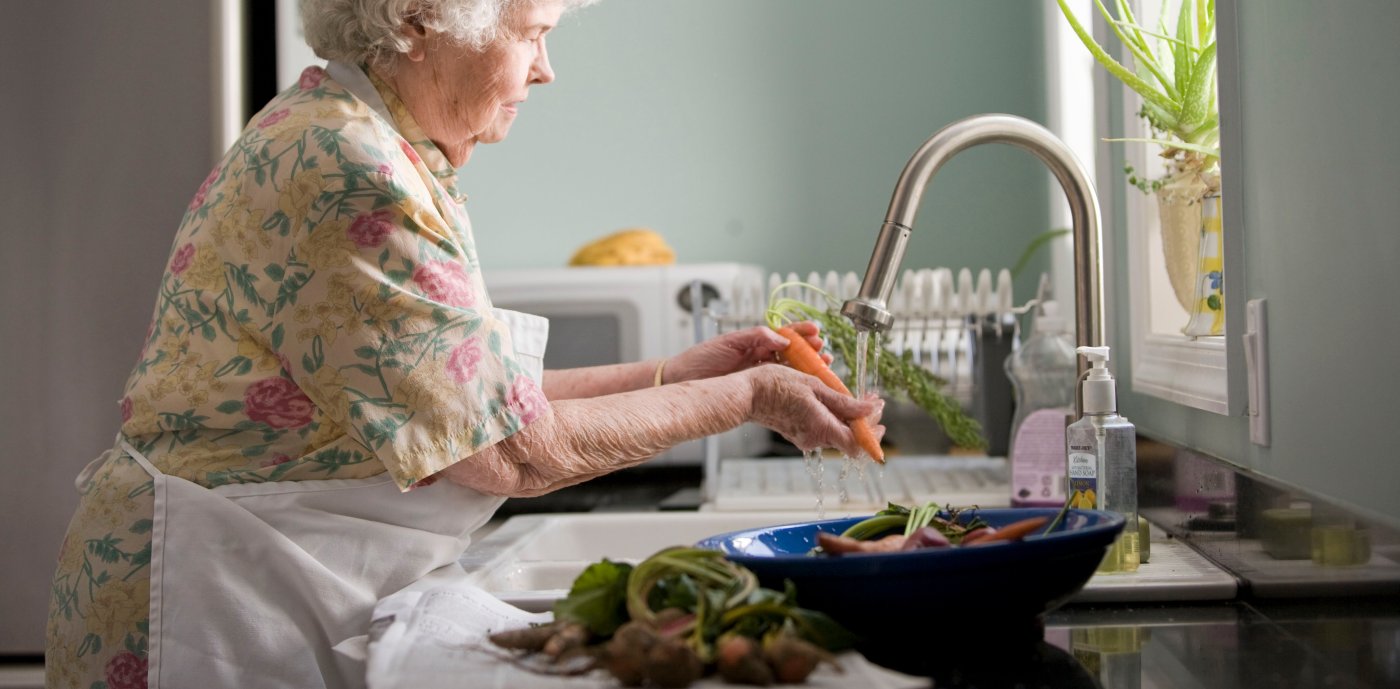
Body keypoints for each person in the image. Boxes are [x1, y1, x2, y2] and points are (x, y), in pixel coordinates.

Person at [44, 1, 884, 687]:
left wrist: (682, 371)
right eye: (533, 34)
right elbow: (512, 452)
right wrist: (746, 396)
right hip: (208, 605)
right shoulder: (349, 168)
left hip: (257, 576)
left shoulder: (355, 137)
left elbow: (476, 399)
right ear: (416, 19)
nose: (546, 69)